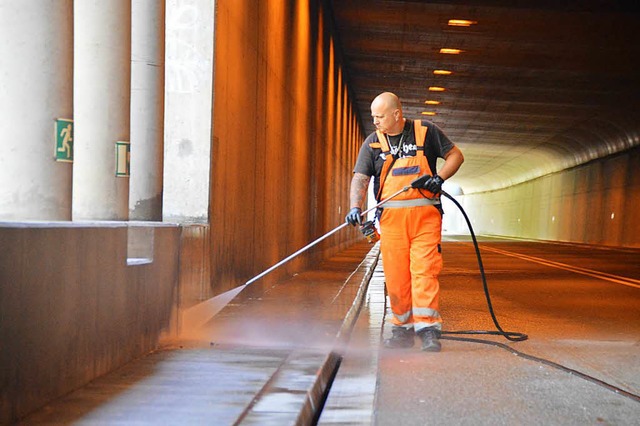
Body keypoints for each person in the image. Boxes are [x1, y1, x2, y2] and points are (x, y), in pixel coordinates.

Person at [345, 92, 464, 352]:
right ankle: (402, 329)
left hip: (425, 221)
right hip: (391, 224)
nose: (374, 121)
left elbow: (456, 155)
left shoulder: (426, 132)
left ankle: (428, 329)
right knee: (397, 277)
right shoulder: (372, 144)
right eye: (373, 116)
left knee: (424, 272)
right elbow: (361, 178)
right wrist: (355, 207)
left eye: (380, 116)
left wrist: (439, 178)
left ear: (396, 114)